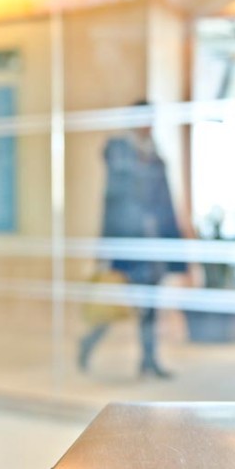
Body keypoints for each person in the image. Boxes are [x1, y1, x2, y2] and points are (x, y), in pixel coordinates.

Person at [78, 100, 187, 378]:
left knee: (149, 306)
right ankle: (88, 342)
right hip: (129, 244)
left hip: (154, 245)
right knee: (117, 303)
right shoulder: (120, 151)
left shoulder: (154, 155)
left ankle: (148, 360)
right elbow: (115, 201)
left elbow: (164, 202)